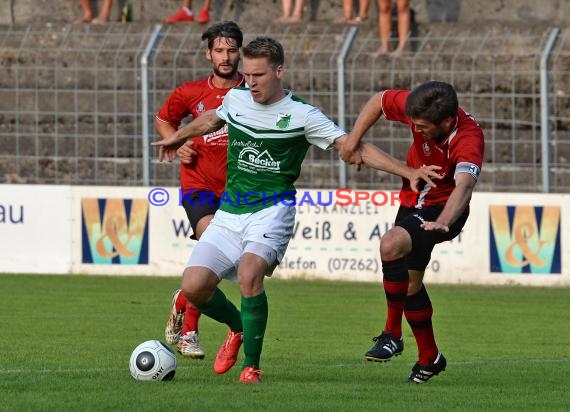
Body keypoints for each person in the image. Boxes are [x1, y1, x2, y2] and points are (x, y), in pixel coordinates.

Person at [154, 36, 438, 383]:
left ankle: (251, 367)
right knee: (194, 285)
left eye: (259, 75)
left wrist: (408, 171)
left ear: (279, 71)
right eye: (247, 74)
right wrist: (180, 135)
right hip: (231, 211)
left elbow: (352, 146)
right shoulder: (237, 97)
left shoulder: (302, 115)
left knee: (249, 273)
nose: (251, 82)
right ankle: (239, 327)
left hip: (273, 210)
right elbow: (214, 118)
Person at [339, 81, 484, 383]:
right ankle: (429, 358)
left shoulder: (467, 138)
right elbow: (379, 100)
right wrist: (353, 139)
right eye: (414, 124)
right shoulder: (420, 105)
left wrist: (443, 220)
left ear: (446, 121)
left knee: (390, 244)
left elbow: (465, 186)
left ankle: (392, 334)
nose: (416, 131)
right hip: (414, 199)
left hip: (443, 208)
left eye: (423, 127)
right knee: (410, 284)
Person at [154, 21, 245, 358]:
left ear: (240, 53)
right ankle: (189, 331)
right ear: (208, 54)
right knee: (210, 234)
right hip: (199, 184)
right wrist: (179, 145)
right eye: (219, 50)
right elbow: (164, 120)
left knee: (219, 261)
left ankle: (184, 298)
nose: (225, 56)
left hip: (238, 189)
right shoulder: (190, 92)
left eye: (231, 50)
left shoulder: (252, 93)